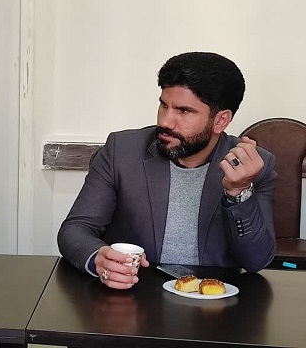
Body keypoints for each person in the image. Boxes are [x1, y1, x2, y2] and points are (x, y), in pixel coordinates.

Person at [57, 52, 276, 290]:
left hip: (213, 302)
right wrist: (97, 258)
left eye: (184, 111)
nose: (165, 122)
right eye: (164, 105)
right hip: (136, 293)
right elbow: (76, 229)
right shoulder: (122, 151)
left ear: (220, 120)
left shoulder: (253, 166)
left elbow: (256, 260)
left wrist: (239, 192)